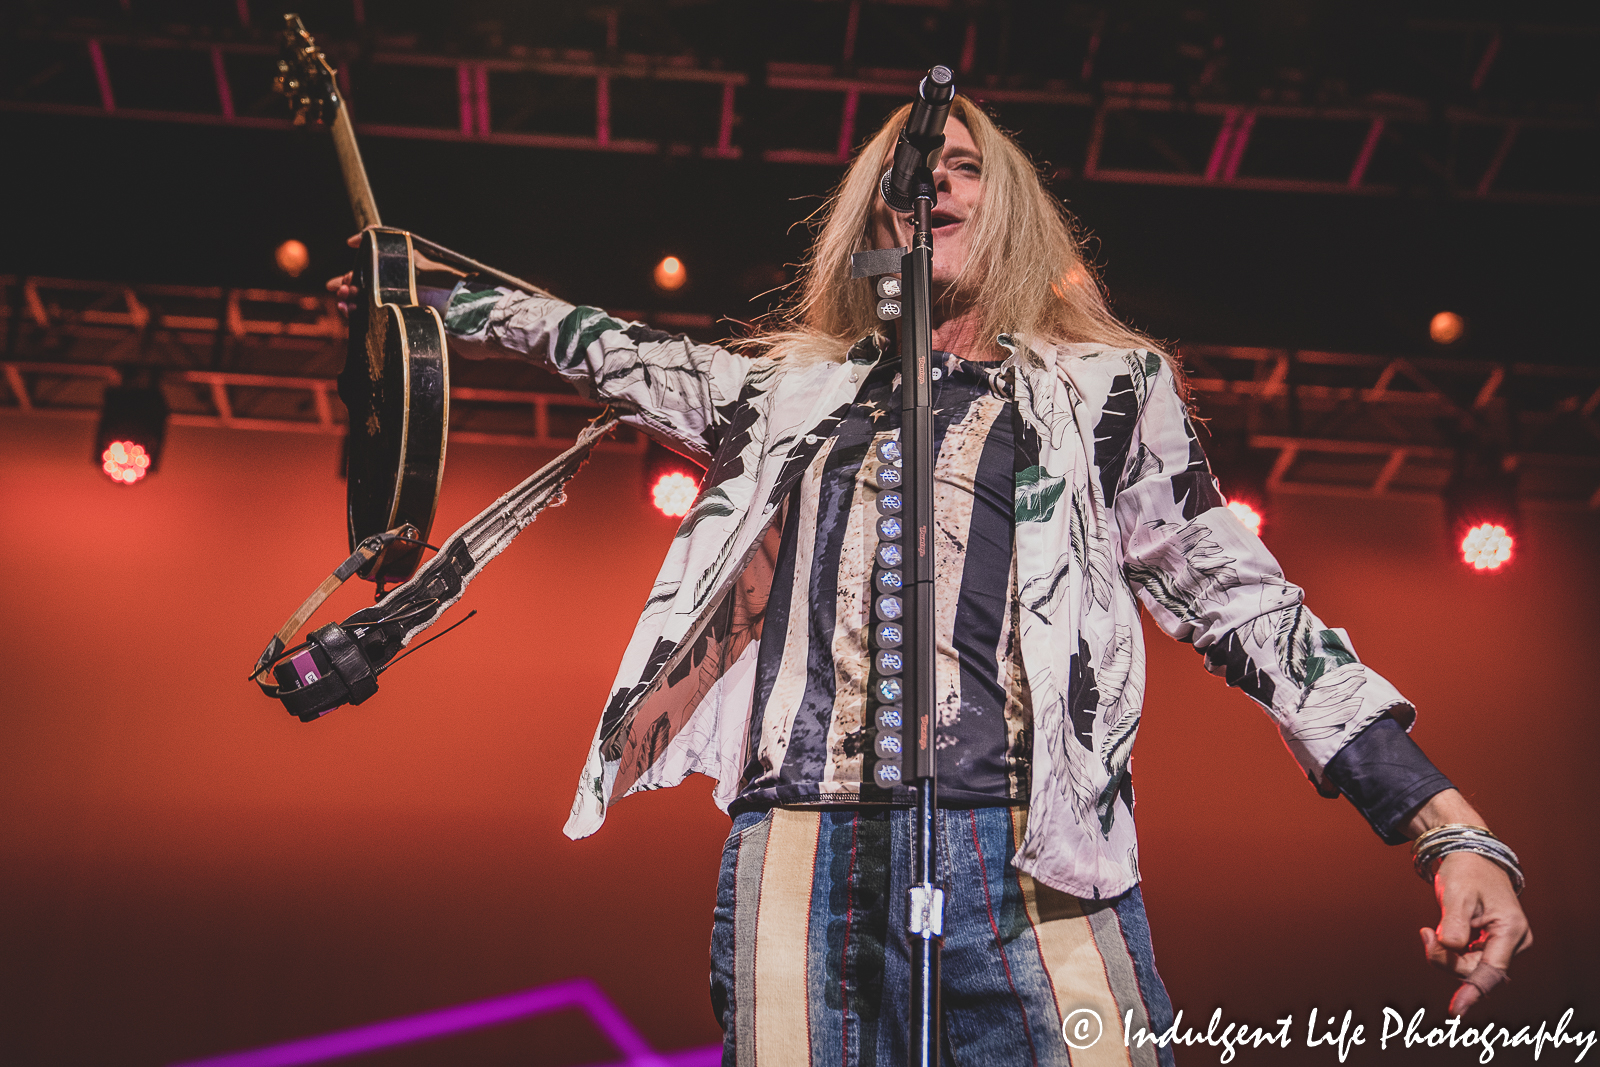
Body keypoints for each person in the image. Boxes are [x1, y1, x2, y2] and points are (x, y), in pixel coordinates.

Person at [331, 96, 1530, 1066]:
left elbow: (1246, 604)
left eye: (962, 163)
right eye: (915, 167)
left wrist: (1444, 826)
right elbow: (600, 343)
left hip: (1035, 858)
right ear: (874, 214)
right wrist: (428, 300)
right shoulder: (783, 389)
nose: (937, 180)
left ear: (1004, 208)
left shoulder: (1109, 389)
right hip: (801, 851)